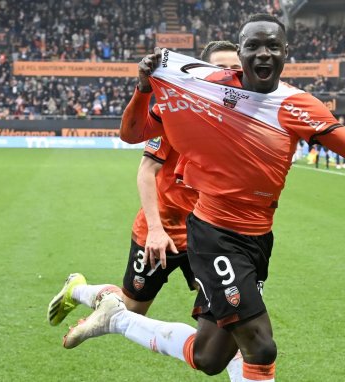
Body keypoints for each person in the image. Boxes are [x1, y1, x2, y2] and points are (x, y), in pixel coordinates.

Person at [60, 14, 345, 382]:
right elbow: (132, 135)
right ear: (241, 53)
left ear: (286, 53)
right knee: (261, 346)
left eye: (273, 46)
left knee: (210, 357)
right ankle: (118, 313)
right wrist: (142, 87)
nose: (263, 54)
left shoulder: (298, 106)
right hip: (214, 236)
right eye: (253, 46)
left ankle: (117, 318)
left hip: (258, 240)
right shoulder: (202, 89)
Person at [48, 41, 244, 381]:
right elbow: (145, 168)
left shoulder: (245, 117)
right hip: (162, 231)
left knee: (233, 325)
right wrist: (155, 228)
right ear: (203, 73)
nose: (229, 78)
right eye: (222, 71)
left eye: (236, 72)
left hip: (208, 237)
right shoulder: (179, 114)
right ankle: (78, 289)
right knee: (131, 305)